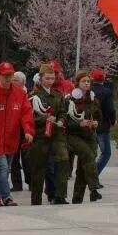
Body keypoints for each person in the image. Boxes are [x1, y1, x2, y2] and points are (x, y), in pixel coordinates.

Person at [0, 62, 34, 207]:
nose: (8, 78)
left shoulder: (20, 94)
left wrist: (28, 131)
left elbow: (26, 114)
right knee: (3, 167)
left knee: (6, 169)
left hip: (11, 139)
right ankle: (7, 197)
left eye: (10, 75)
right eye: (5, 75)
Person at [27, 64, 69, 205]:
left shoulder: (58, 95)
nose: (50, 81)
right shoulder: (33, 96)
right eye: (47, 78)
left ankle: (60, 195)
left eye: (52, 78)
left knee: (63, 162)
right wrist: (45, 118)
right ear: (40, 78)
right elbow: (29, 117)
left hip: (56, 135)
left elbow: (63, 111)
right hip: (40, 136)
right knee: (39, 169)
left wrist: (61, 120)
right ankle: (36, 200)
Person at [64, 71, 103, 203]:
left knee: (83, 166)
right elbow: (65, 121)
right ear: (77, 83)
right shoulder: (70, 99)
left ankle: (77, 199)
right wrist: (79, 124)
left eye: (88, 81)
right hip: (73, 135)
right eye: (84, 81)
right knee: (88, 155)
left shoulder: (93, 99)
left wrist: (96, 122)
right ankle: (94, 189)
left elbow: (98, 116)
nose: (87, 84)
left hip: (89, 134)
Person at [91, 69, 117, 176]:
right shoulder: (107, 92)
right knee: (106, 153)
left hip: (89, 125)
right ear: (104, 78)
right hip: (103, 126)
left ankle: (87, 173)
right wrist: (112, 120)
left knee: (91, 153)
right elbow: (110, 109)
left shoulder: (88, 90)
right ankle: (94, 174)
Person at [10, 71, 31, 192]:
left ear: (23, 82)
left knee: (27, 158)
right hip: (14, 130)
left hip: (26, 129)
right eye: (12, 79)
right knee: (14, 159)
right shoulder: (11, 94)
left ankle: (31, 181)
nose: (13, 82)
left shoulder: (28, 95)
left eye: (16, 80)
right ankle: (17, 184)